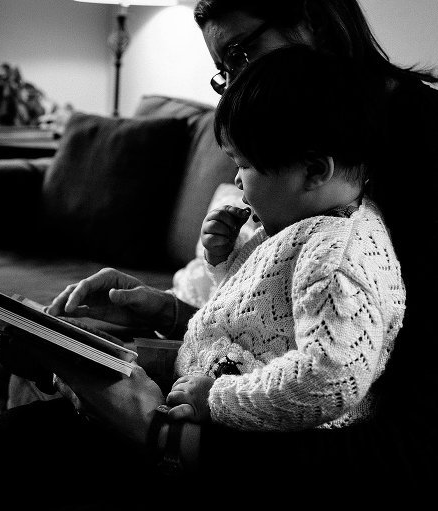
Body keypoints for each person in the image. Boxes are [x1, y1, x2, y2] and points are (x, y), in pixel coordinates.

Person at [0, 0, 438, 506]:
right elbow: (280, 317)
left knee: (24, 452)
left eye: (239, 55)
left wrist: (156, 432)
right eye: (223, 73)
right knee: (54, 377)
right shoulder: (312, 168)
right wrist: (169, 316)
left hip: (343, 459)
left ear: (312, 17)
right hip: (266, 410)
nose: (236, 89)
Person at [164, 45, 406, 433]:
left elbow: (329, 380)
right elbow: (259, 316)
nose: (237, 180)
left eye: (244, 164)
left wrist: (214, 400)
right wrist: (225, 261)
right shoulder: (305, 221)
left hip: (252, 434)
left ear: (313, 170)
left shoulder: (337, 257)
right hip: (204, 393)